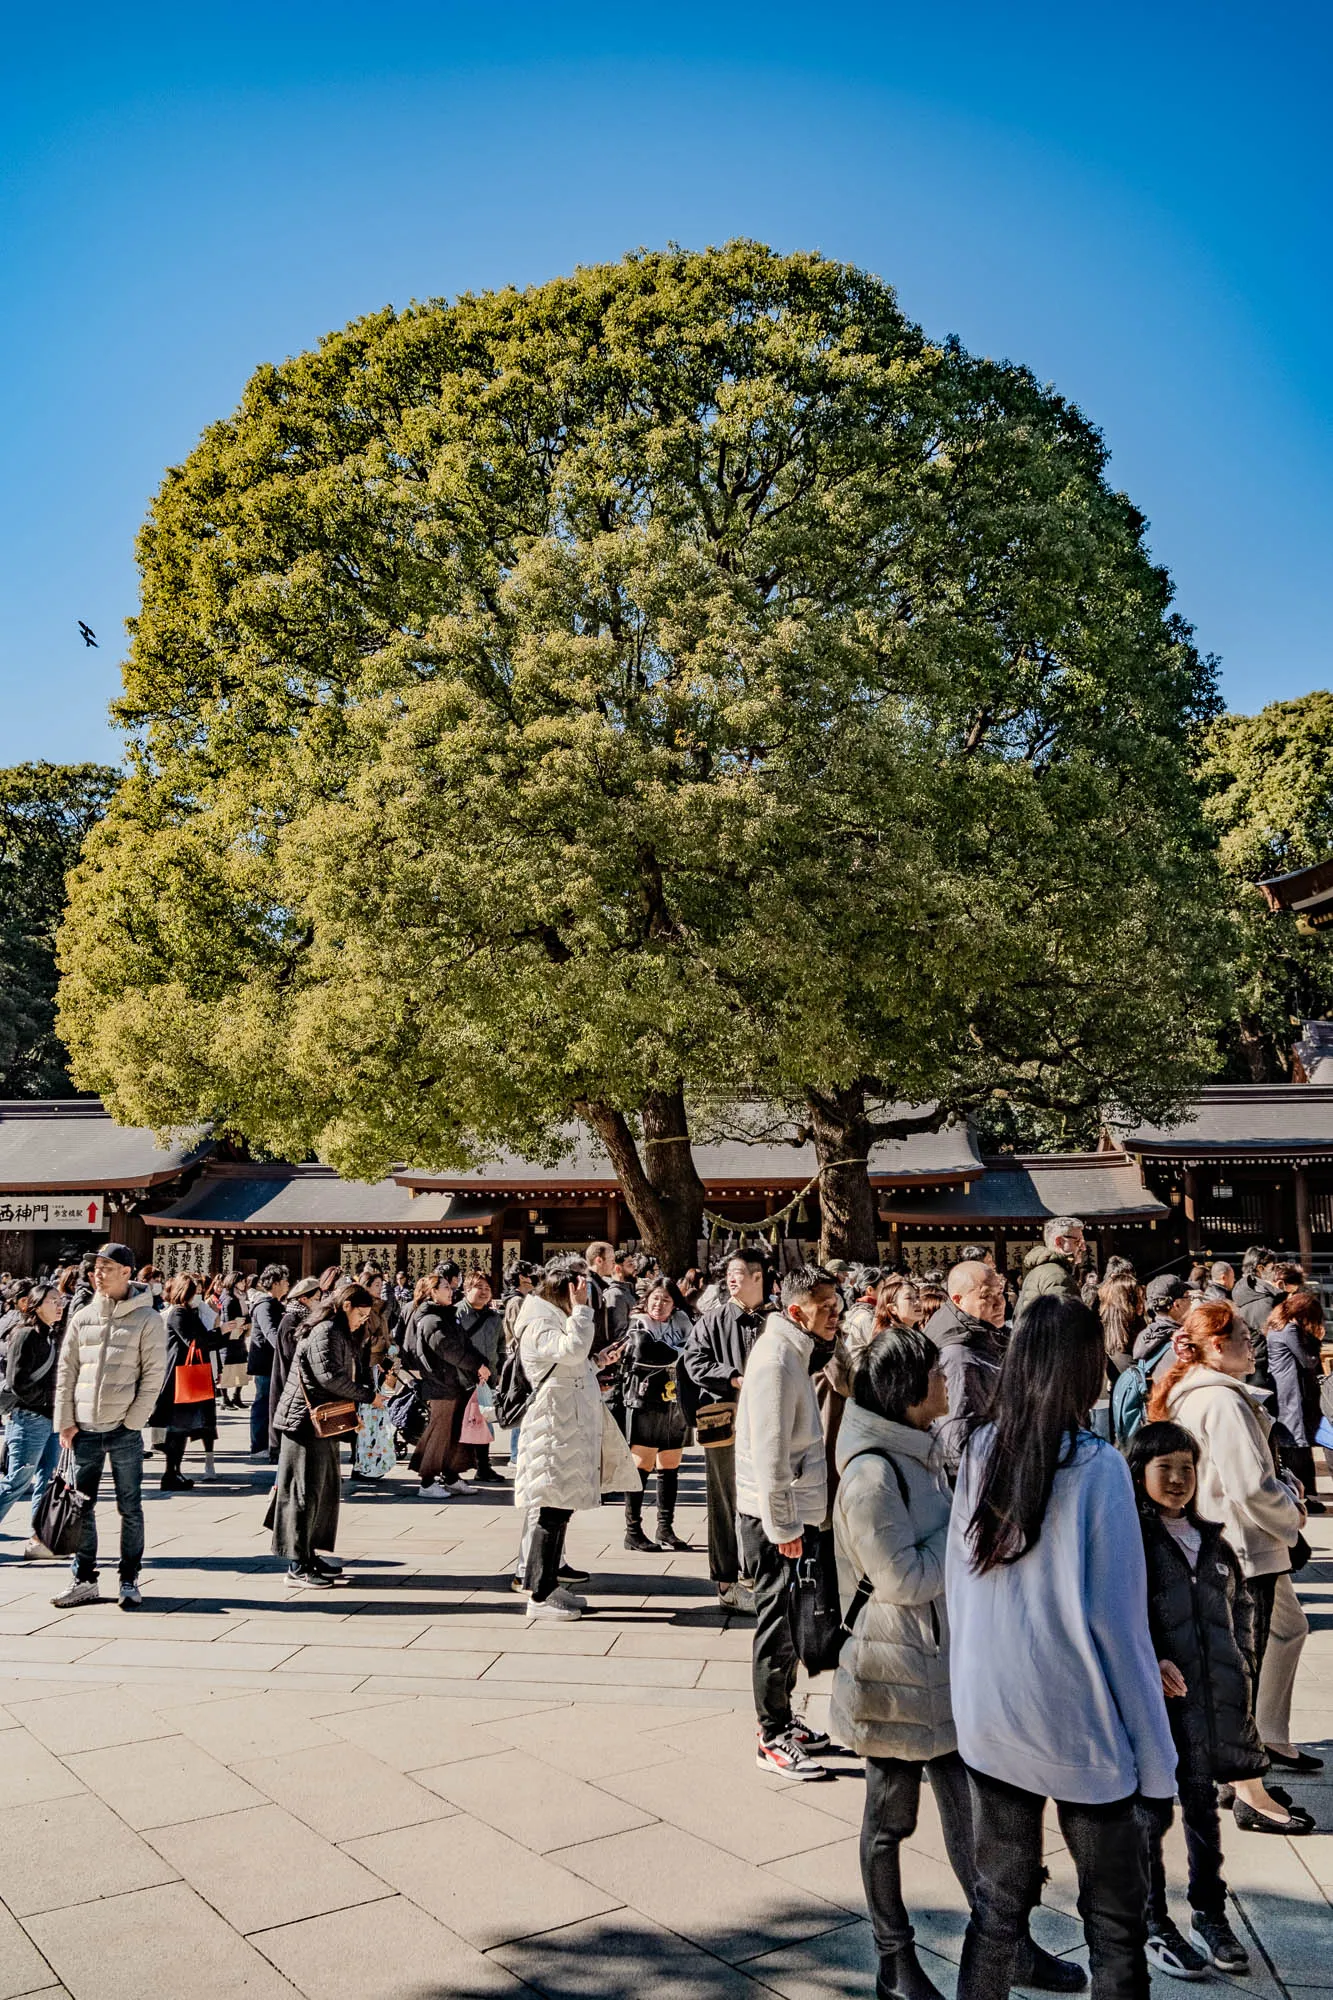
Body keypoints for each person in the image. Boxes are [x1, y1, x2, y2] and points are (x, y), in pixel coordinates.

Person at [832, 1325, 1081, 2000]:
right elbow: (902, 1578)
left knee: (977, 1826)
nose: (947, 1382)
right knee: (888, 1824)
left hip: (939, 1663)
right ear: (905, 1391)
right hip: (893, 1671)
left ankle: (1008, 1944)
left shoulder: (913, 1451)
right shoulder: (871, 1472)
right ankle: (894, 1960)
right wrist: (969, 1523)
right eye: (935, 1376)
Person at [947, 1296, 1178, 2000]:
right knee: (1114, 1921)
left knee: (996, 1908)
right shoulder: (1097, 1465)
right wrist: (1156, 1758)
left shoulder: (981, 1448)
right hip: (1078, 1721)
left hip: (992, 1711)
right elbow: (1116, 1625)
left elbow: (957, 1591)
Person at [1126, 1422, 1304, 1983]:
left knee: (1202, 1812)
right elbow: (1118, 1613)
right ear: (1140, 1474)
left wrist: (1243, 1668)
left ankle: (1210, 1912)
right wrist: (1149, 1659)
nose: (1178, 1479)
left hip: (1210, 1706)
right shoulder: (1131, 1539)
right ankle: (1154, 1920)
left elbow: (1242, 1610)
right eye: (1165, 1469)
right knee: (1150, 1816)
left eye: (1187, 1468)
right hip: (1156, 1708)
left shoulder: (1213, 1539)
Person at [1149, 1301, 1312, 1828]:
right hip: (1242, 1544)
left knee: (1271, 1641)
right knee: (1242, 1664)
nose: (1253, 1343)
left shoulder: (1202, 1393)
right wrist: (1291, 1513)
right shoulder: (1219, 1399)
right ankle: (1247, 1788)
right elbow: (1247, 1484)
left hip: (1229, 1543)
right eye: (1244, 1335)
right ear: (1217, 1345)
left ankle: (1256, 1756)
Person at [735, 1263, 841, 1780]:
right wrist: (785, 1528)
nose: (837, 1317)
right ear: (797, 1311)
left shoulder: (791, 1350)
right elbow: (771, 1457)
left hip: (792, 1514)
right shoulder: (776, 1360)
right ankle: (770, 1733)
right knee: (777, 1626)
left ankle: (784, 1717)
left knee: (794, 1622)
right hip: (774, 1517)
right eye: (827, 1309)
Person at [512, 1253, 631, 1621]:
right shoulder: (537, 1320)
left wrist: (600, 1363)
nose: (585, 1295)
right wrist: (581, 1312)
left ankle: (549, 1584)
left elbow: (573, 1361)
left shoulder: (552, 1317)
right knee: (549, 1509)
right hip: (553, 1427)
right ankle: (539, 1593)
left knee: (559, 1509)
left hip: (566, 1424)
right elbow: (570, 1350)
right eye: (579, 1288)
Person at [49, 1243, 167, 1610]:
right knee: (80, 1507)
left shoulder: (148, 1319)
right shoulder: (83, 1316)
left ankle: (129, 1577)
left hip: (123, 1429)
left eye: (106, 1267)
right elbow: (67, 1371)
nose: (98, 1273)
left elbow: (153, 1377)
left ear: (127, 1273)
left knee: (129, 1507)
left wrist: (133, 1421)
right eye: (96, 1267)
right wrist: (65, 1421)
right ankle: (84, 1578)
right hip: (83, 1429)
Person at [268, 1284, 376, 1587]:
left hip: (321, 1422)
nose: (362, 1321)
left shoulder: (336, 1330)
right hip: (304, 1422)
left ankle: (308, 1554)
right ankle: (297, 1564)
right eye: (361, 1314)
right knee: (304, 1493)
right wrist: (369, 1396)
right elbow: (329, 1376)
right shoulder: (326, 1330)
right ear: (346, 1306)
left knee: (320, 1491)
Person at [681, 1247, 770, 1609]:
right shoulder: (712, 1320)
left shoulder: (776, 1318)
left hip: (769, 1417)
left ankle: (762, 1571)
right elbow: (693, 1361)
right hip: (724, 1419)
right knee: (724, 1497)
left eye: (739, 1273)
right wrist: (732, 1377)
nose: (732, 1279)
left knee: (767, 1492)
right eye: (729, 1274)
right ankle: (725, 1581)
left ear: (759, 1277)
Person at [621, 1278, 693, 1552]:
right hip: (646, 1398)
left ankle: (666, 1527)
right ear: (647, 1298)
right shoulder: (638, 1323)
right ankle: (633, 1530)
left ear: (675, 1304)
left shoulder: (684, 1322)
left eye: (666, 1299)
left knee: (670, 1463)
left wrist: (676, 1353)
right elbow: (646, 1352)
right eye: (655, 1298)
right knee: (642, 1462)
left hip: (675, 1399)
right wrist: (679, 1352)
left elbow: (696, 1351)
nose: (659, 1304)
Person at [405, 1268, 489, 1497]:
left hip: (455, 1382)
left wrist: (481, 1363)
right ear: (432, 1292)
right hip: (440, 1383)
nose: (451, 1291)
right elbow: (451, 1351)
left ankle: (451, 1476)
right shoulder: (431, 1320)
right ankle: (427, 1481)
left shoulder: (445, 1316)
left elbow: (464, 1346)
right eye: (445, 1288)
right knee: (439, 1432)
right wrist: (477, 1365)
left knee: (455, 1432)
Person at [0, 1282, 66, 1557]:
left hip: (52, 1418)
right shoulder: (25, 1335)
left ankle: (41, 1538)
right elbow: (17, 1381)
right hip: (29, 1417)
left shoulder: (53, 1334)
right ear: (35, 1306)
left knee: (48, 1480)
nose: (59, 1305)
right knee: (18, 1479)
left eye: (60, 1300)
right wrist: (42, 1399)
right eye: (52, 1301)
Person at [926, 1261, 1007, 1481]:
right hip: (975, 1475)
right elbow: (957, 1435)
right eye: (986, 1296)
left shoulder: (981, 1332)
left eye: (1000, 1292)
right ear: (958, 1300)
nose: (999, 1303)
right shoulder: (958, 1355)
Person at [148, 1275, 223, 1489]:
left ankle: (174, 1473)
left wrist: (222, 1335)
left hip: (186, 1374)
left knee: (181, 1428)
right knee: (177, 1428)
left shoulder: (187, 1312)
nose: (197, 1295)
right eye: (193, 1291)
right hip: (179, 1377)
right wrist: (220, 1332)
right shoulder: (178, 1313)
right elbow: (194, 1342)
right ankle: (171, 1474)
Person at [1265, 1289, 1325, 1507]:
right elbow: (1308, 1360)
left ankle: (1301, 1494)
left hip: (1282, 1390)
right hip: (1292, 1392)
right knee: (1298, 1446)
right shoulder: (1291, 1329)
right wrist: (1316, 1340)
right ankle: (1306, 1496)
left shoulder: (1275, 1325)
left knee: (1290, 1445)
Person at [456, 1269, 506, 1485]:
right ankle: (452, 1469)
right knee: (458, 1424)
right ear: (467, 1289)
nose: (484, 1292)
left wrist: (501, 1370)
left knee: (483, 1422)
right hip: (460, 1378)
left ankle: (483, 1467)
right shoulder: (456, 1314)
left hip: (488, 1379)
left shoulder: (494, 1317)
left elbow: (501, 1346)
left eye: (487, 1288)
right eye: (479, 1287)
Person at [268, 1276, 322, 1456]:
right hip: (290, 1382)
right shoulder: (291, 1320)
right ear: (303, 1299)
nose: (319, 1303)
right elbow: (294, 1355)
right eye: (316, 1299)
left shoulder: (306, 1318)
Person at [247, 1265, 290, 1458]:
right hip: (265, 1362)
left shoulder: (275, 1304)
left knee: (270, 1402)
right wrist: (286, 1351)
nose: (288, 1284)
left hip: (272, 1362)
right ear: (274, 1283)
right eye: (284, 1281)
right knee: (263, 1402)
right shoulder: (264, 1305)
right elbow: (271, 1333)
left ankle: (270, 1444)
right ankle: (259, 1446)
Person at [1012, 1216, 1085, 1324]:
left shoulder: (1040, 1270)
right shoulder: (1056, 1274)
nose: (1083, 1248)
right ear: (1059, 1241)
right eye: (1078, 1242)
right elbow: (1063, 1324)